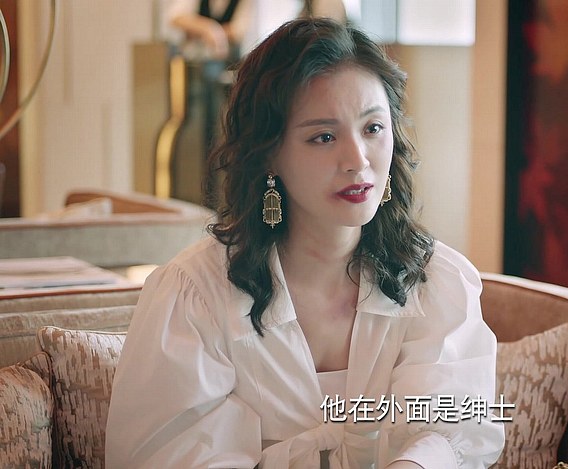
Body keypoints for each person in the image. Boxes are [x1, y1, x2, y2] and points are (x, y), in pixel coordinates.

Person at [106, 18, 504, 468]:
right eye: (324, 137)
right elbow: (171, 454)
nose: (357, 161)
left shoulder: (434, 282)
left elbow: (456, 432)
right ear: (269, 153)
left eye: (373, 128)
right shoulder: (196, 296)